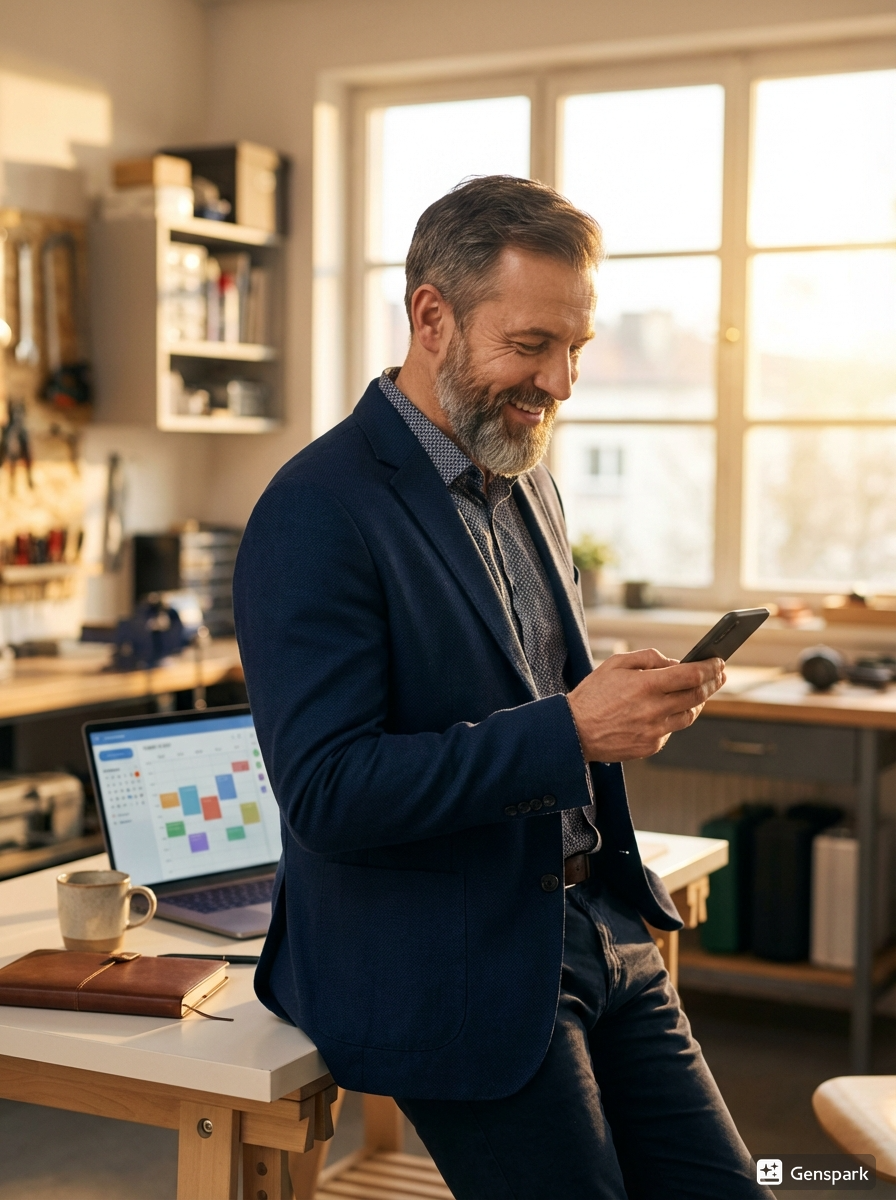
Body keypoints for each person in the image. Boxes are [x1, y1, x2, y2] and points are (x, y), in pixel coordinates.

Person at [233, 175, 772, 1200]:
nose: (560, 381)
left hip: (594, 929)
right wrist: (568, 731)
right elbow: (328, 794)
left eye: (573, 347)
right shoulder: (314, 511)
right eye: (529, 346)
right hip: (449, 965)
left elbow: (519, 691)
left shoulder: (526, 478)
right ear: (430, 317)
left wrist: (612, 709)